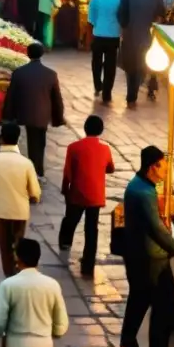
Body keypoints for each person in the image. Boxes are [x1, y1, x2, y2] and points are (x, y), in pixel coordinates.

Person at [119, 146, 174, 347]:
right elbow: (155, 228)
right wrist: (173, 247)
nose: (166, 170)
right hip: (150, 258)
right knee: (164, 304)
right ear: (153, 166)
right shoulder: (144, 193)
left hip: (137, 253)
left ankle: (128, 342)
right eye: (164, 166)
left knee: (139, 298)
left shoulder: (138, 185)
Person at [0, 123, 42, 277]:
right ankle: (20, 273)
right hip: (20, 212)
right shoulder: (26, 163)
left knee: (4, 248)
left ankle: (9, 277)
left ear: (1, 139)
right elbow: (35, 192)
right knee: (17, 246)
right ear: (18, 139)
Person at [59, 116, 114, 277]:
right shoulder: (105, 149)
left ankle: (65, 241)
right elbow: (110, 168)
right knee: (91, 229)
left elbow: (67, 172)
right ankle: (88, 265)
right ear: (101, 130)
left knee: (71, 219)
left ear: (85, 128)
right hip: (96, 195)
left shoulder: (74, 147)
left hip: (77, 192)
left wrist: (65, 189)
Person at [3, 44, 65, 181]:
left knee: (32, 141)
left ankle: (33, 170)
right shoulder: (50, 74)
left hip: (24, 112)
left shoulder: (19, 72)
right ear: (42, 54)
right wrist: (58, 118)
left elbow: (11, 95)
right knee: (39, 142)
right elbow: (57, 99)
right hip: (42, 114)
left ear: (28, 53)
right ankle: (38, 171)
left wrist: (8, 115)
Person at [118, 0, 166, 107]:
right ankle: (151, 88)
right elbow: (161, 16)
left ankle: (131, 97)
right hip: (149, 36)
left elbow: (122, 17)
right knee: (150, 65)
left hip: (131, 36)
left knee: (131, 68)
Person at [87, 0, 121, 103]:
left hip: (98, 34)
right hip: (113, 35)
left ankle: (97, 84)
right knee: (110, 64)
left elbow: (91, 19)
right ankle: (107, 93)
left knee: (96, 61)